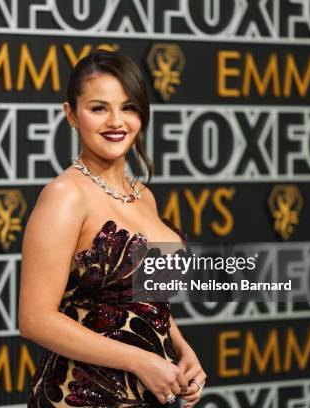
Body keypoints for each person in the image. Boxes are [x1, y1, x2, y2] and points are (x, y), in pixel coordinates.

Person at [19, 49, 206, 407]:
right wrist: (140, 360)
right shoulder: (66, 195)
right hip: (81, 394)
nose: (116, 121)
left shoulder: (144, 196)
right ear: (71, 114)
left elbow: (145, 302)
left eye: (129, 107)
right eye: (99, 108)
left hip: (150, 392)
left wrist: (181, 350)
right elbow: (34, 319)